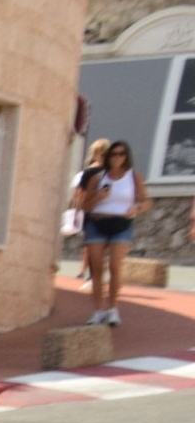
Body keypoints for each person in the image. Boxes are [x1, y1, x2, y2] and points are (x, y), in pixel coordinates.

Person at [74, 139, 146, 326]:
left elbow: (147, 201)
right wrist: (98, 196)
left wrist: (137, 208)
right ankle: (98, 310)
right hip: (97, 223)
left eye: (121, 154)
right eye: (114, 154)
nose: (117, 157)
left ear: (127, 157)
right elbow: (85, 205)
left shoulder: (133, 177)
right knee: (97, 269)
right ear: (108, 157)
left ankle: (113, 309)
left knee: (115, 267)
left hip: (121, 224)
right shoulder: (98, 178)